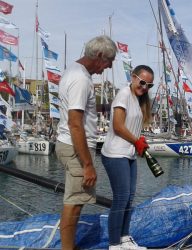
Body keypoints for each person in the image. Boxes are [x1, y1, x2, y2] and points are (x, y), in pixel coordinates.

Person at [55, 35, 117, 250]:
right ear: (100, 55)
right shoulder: (81, 79)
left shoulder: (73, 71)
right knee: (74, 203)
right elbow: (75, 123)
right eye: (110, 61)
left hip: (70, 145)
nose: (108, 67)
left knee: (76, 201)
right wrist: (88, 164)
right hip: (75, 148)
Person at [101, 65, 154, 250]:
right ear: (133, 77)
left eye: (149, 85)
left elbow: (132, 128)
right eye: (142, 82)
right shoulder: (123, 94)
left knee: (129, 198)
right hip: (115, 153)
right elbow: (118, 126)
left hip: (129, 154)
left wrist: (139, 140)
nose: (144, 87)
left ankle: (124, 238)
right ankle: (114, 244)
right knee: (121, 197)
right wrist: (136, 141)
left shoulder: (139, 100)